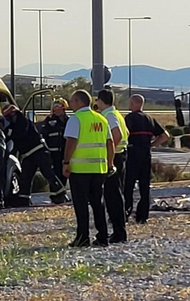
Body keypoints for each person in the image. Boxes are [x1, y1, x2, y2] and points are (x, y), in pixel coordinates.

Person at [63, 89, 111, 247]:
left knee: (81, 205)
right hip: (99, 168)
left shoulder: (76, 119)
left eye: (72, 101)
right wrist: (110, 163)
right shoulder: (102, 119)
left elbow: (71, 141)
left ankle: (83, 237)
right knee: (98, 203)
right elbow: (110, 143)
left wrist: (66, 162)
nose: (70, 105)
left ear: (79, 102)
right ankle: (103, 237)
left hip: (80, 169)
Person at [5, 103, 65, 203]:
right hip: (28, 155)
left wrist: (8, 132)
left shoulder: (22, 122)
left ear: (14, 114)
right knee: (25, 177)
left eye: (9, 117)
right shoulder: (15, 124)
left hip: (38, 151)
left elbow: (18, 135)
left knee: (48, 174)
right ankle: (24, 199)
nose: (9, 119)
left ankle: (60, 194)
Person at [121, 94, 166, 223]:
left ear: (134, 104)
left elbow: (125, 133)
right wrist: (151, 144)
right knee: (144, 186)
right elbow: (164, 135)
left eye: (130, 103)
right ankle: (143, 216)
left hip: (133, 153)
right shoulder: (150, 119)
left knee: (128, 186)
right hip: (146, 154)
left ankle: (126, 212)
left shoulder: (130, 118)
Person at [94, 90, 129, 244]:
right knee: (114, 196)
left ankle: (119, 233)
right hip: (120, 156)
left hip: (115, 158)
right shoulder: (116, 113)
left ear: (101, 101)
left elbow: (118, 134)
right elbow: (126, 132)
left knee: (113, 197)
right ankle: (118, 231)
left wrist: (110, 153)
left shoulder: (109, 115)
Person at [39, 99, 70, 195]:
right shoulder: (49, 121)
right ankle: (55, 194)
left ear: (64, 108)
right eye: (55, 107)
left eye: (59, 107)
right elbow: (43, 135)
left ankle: (62, 193)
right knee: (54, 174)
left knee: (64, 174)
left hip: (65, 152)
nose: (57, 110)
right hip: (53, 153)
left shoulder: (68, 121)